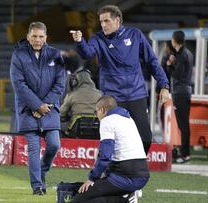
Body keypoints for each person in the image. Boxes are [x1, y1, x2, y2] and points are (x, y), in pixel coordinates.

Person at [70, 5, 170, 154]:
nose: (103, 25)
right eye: (101, 21)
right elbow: (87, 53)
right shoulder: (98, 38)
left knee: (145, 139)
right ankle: (111, 173)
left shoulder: (135, 35)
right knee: (111, 140)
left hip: (136, 94)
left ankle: (134, 168)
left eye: (107, 21)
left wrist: (164, 85)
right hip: (112, 98)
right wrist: (80, 42)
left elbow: (152, 61)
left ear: (117, 20)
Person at [10, 22, 66, 195]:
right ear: (28, 37)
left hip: (49, 109)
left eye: (41, 36)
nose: (37, 40)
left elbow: (60, 83)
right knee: (33, 148)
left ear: (46, 37)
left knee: (54, 145)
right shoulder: (18, 55)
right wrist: (36, 105)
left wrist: (45, 105)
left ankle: (42, 172)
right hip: (28, 110)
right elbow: (19, 85)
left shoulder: (55, 54)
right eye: (34, 36)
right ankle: (37, 186)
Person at [71, 96, 149, 203]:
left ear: (102, 110)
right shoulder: (128, 118)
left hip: (125, 175)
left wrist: (92, 178)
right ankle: (128, 197)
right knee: (95, 193)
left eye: (96, 111)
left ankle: (124, 201)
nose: (96, 115)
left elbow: (105, 156)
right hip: (141, 172)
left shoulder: (107, 121)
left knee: (80, 198)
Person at [166, 31, 193, 164]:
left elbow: (177, 74)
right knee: (184, 125)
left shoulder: (181, 55)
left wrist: (170, 65)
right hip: (185, 91)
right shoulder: (187, 53)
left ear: (174, 40)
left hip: (180, 92)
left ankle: (185, 154)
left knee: (183, 125)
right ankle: (185, 152)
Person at [60, 68, 102, 135]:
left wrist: (65, 118)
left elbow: (62, 113)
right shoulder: (100, 94)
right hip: (97, 128)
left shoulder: (71, 95)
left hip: (76, 130)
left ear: (75, 81)